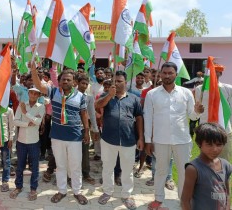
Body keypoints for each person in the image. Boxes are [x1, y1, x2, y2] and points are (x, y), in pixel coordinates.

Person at [144, 62, 204, 209]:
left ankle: (184, 200)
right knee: (161, 170)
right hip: (160, 139)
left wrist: (197, 111)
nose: (167, 75)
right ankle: (158, 199)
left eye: (170, 73)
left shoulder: (186, 93)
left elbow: (192, 116)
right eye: (164, 73)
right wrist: (147, 141)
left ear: (176, 74)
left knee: (184, 171)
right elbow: (148, 118)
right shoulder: (152, 94)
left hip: (182, 139)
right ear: (160, 74)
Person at [31, 62, 90, 205]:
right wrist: (33, 70)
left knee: (75, 166)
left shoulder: (81, 96)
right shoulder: (53, 91)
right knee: (61, 165)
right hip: (57, 136)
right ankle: (62, 190)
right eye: (63, 79)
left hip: (75, 136)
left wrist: (86, 131)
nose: (65, 81)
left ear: (74, 82)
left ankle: (77, 191)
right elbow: (39, 86)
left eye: (69, 79)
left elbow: (84, 114)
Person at [95, 71, 144, 209]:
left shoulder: (134, 98)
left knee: (127, 169)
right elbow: (97, 105)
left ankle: (126, 195)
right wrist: (109, 96)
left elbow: (139, 117)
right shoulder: (107, 95)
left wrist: (140, 137)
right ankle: (107, 192)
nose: (116, 83)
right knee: (108, 167)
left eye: (119, 81)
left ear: (126, 82)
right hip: (108, 139)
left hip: (128, 139)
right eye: (114, 81)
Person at [181, 122, 231, 210]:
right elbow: (185, 200)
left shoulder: (226, 165)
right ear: (199, 144)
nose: (215, 149)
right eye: (209, 144)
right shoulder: (193, 169)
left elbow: (226, 193)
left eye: (219, 144)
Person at [10, 87, 45, 201]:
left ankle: (33, 188)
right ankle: (18, 187)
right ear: (28, 93)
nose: (33, 95)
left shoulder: (41, 106)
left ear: (38, 96)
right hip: (21, 141)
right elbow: (15, 121)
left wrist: (25, 113)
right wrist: (27, 123)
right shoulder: (22, 104)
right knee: (20, 167)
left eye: (36, 94)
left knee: (34, 167)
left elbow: (38, 122)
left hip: (34, 141)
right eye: (31, 93)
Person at [194, 63, 232, 162]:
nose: (214, 74)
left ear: (220, 73)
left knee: (224, 160)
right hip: (206, 129)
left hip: (224, 129)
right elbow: (197, 111)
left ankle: (223, 178)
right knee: (206, 160)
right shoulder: (200, 89)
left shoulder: (228, 89)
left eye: (216, 72)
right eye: (211, 72)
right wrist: (198, 110)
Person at [76, 73, 100, 185]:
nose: (84, 85)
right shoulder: (70, 94)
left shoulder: (89, 97)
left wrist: (95, 129)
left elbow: (92, 113)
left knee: (85, 152)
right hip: (70, 127)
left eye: (86, 84)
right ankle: (55, 170)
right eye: (82, 83)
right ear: (77, 83)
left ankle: (86, 173)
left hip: (83, 128)